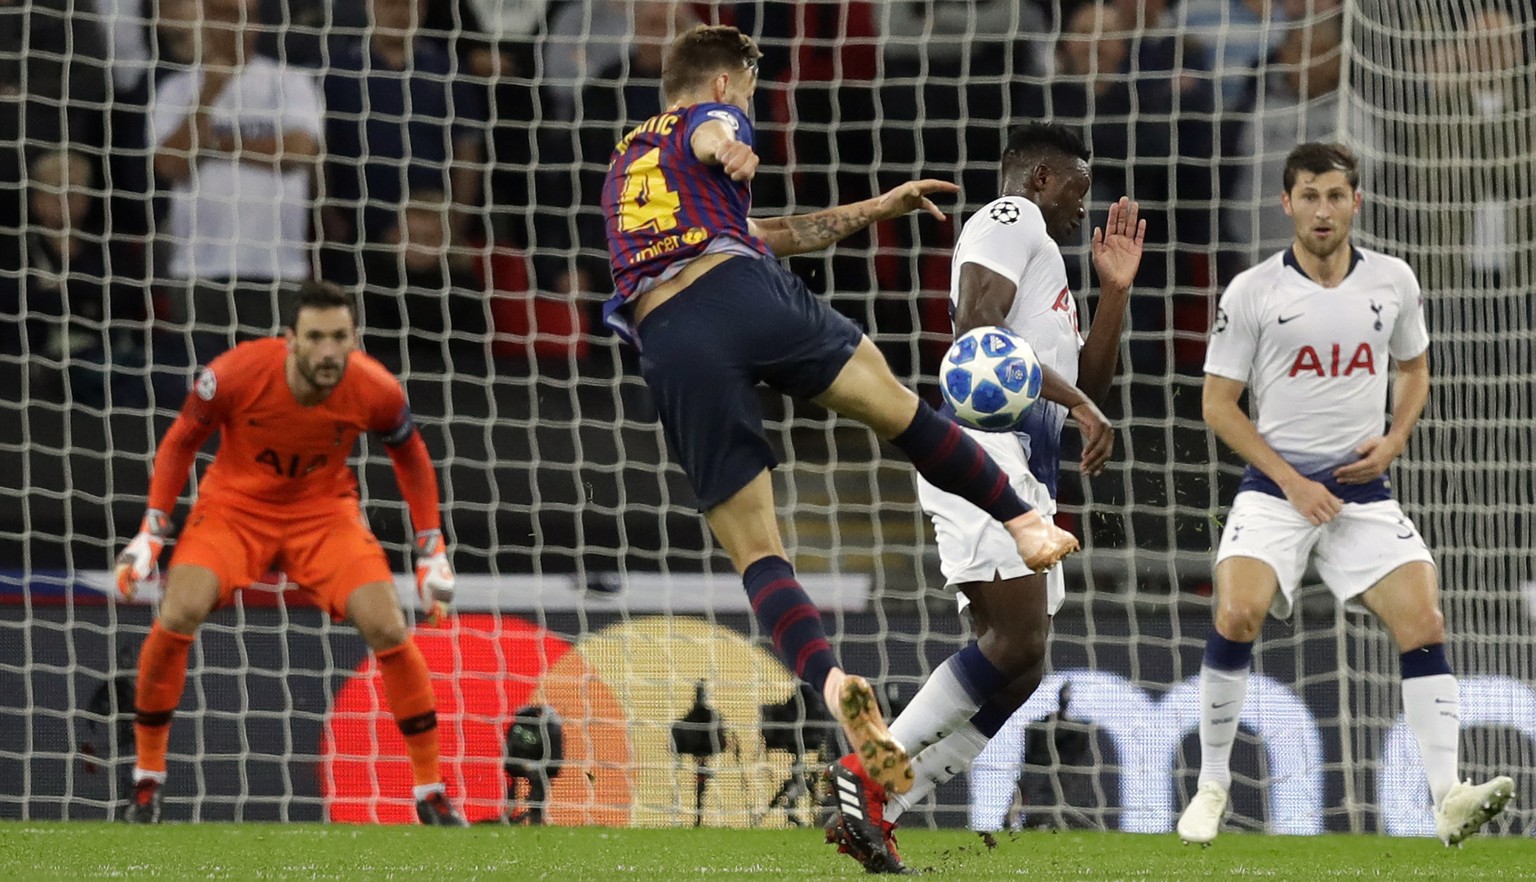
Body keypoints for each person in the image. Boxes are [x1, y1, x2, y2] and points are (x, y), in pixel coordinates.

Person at [600, 24, 1080, 803]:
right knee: (902, 412)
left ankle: (828, 683)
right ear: (724, 83)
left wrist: (879, 207)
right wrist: (731, 144)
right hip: (740, 292)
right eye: (746, 90)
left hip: (671, 336)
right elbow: (717, 135)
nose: (744, 104)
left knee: (759, 553)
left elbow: (768, 232)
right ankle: (1023, 521)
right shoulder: (709, 120)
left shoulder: (626, 166)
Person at [824, 122, 1145, 874]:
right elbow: (976, 333)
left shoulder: (1048, 268)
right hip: (982, 451)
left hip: (1025, 463)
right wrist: (1082, 408)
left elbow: (1083, 393)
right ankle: (868, 772)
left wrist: (1115, 295)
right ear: (1038, 179)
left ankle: (882, 806)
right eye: (1076, 190)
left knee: (1023, 662)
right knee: (1014, 641)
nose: (1081, 210)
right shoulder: (1009, 219)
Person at [1177, 142, 1514, 846]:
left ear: (1356, 201)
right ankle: (1212, 784)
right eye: (1309, 196)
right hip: (1276, 491)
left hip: (1362, 493)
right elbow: (1217, 404)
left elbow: (1415, 369)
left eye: (1335, 195)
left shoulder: (1393, 280)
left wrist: (1392, 440)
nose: (1323, 210)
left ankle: (1448, 796)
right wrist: (1294, 483)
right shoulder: (1252, 292)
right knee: (1237, 613)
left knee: (1424, 619)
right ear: (1286, 204)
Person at [113, 282, 467, 827]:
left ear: (355, 339)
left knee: (390, 628)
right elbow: (181, 440)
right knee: (178, 612)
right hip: (234, 510)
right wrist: (150, 534)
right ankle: (147, 781)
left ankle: (430, 790)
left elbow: (411, 457)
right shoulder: (232, 374)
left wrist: (431, 549)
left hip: (322, 514)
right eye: (316, 337)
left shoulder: (375, 388)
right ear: (291, 340)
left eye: (339, 337)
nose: (328, 351)